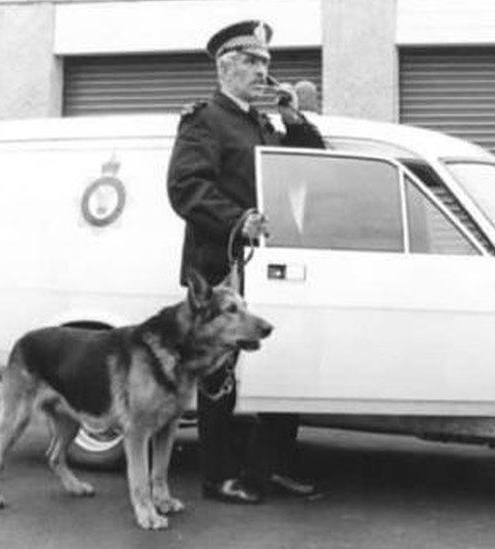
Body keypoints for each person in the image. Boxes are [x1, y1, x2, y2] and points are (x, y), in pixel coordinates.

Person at [166, 19, 324, 505]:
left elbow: (312, 164)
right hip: (223, 268)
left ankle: (267, 467)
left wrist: (295, 118)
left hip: (270, 268)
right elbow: (186, 187)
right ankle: (218, 478)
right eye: (253, 62)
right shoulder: (204, 120)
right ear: (226, 66)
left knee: (281, 369)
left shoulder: (262, 122)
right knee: (220, 376)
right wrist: (238, 221)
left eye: (266, 64)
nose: (263, 72)